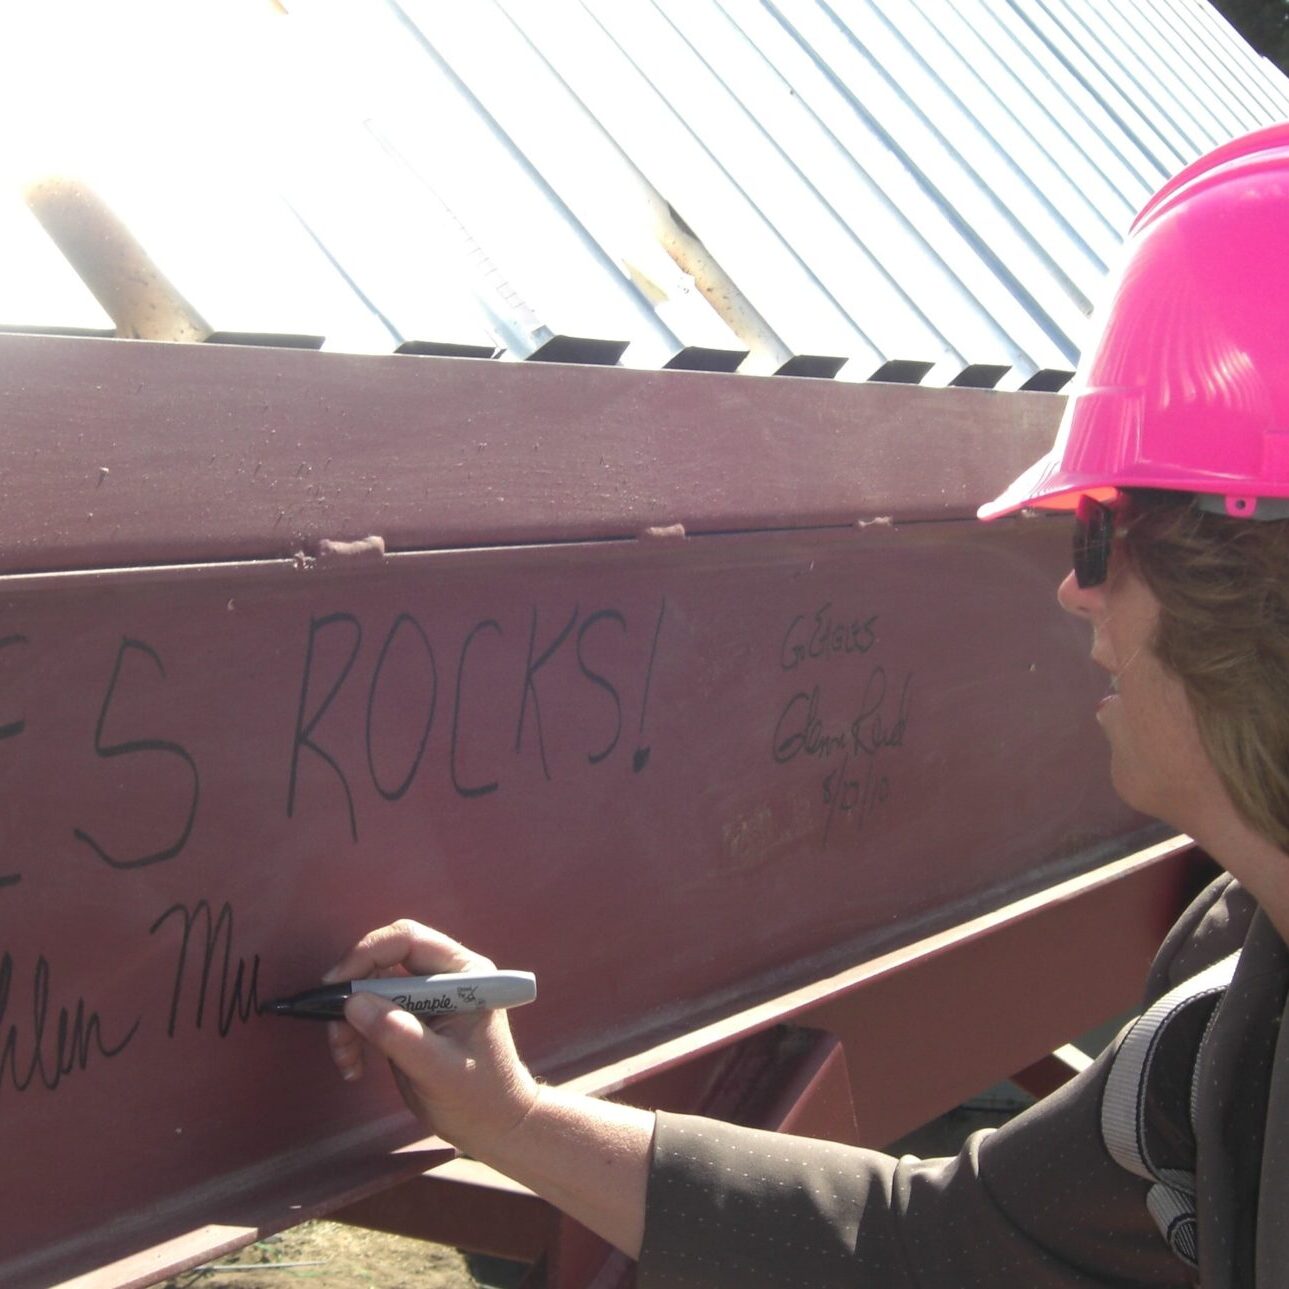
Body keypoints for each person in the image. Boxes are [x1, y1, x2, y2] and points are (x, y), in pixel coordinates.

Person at [323, 124, 1289, 1286]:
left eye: (1103, 531)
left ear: (1251, 588)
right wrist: (517, 1118)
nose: (1075, 589)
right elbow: (940, 1242)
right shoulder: (1231, 981)